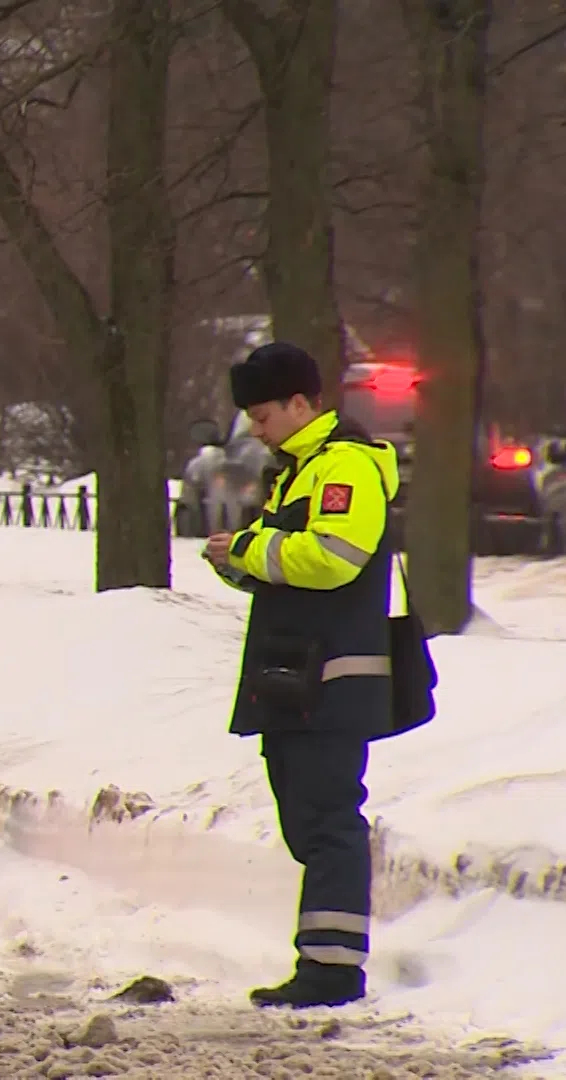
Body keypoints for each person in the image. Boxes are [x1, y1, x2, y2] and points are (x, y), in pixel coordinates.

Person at [204, 341, 400, 1009]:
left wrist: (252, 548)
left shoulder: (343, 464)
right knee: (306, 819)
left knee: (326, 821)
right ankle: (325, 960)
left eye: (261, 416)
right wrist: (237, 560)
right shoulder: (298, 469)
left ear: (299, 403)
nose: (255, 431)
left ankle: (332, 969)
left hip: (331, 679)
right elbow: (284, 562)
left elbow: (336, 556)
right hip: (295, 677)